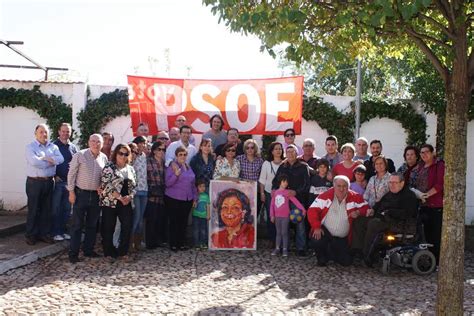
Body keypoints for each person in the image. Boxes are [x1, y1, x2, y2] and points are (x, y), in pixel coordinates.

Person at [307, 175, 369, 266]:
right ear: (334, 186)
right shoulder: (325, 196)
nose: (341, 189)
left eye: (344, 186)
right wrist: (316, 227)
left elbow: (367, 208)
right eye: (338, 186)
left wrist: (359, 212)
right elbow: (312, 211)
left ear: (348, 187)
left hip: (343, 238)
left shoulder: (355, 196)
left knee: (346, 262)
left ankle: (331, 253)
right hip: (325, 232)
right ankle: (321, 257)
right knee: (317, 239)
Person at [359, 173, 419, 266]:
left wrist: (389, 212)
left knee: (373, 224)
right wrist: (372, 210)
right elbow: (378, 204)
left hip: (398, 223)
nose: (392, 185)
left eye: (395, 182)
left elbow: (409, 213)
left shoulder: (409, 196)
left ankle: (367, 257)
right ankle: (357, 250)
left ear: (402, 183)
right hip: (383, 219)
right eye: (390, 182)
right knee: (360, 221)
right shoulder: (389, 194)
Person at [67, 134, 108, 263]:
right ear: (89, 142)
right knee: (77, 225)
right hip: (80, 194)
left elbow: (104, 176)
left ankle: (88, 250)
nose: (96, 144)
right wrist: (71, 192)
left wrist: (102, 186)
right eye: (93, 141)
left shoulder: (104, 158)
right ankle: (73, 254)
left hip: (96, 196)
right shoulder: (80, 155)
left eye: (98, 142)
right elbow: (71, 174)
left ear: (102, 144)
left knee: (92, 225)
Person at [25, 124, 64, 245]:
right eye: (41, 132)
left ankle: (43, 234)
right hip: (34, 182)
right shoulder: (30, 147)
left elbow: (61, 159)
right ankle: (31, 235)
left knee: (46, 210)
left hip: (49, 182)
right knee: (34, 209)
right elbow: (34, 162)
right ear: (35, 134)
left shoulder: (53, 146)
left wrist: (45, 158)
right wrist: (51, 161)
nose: (44, 134)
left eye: (46, 132)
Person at [100, 143, 137, 261]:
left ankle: (123, 252)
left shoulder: (130, 168)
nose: (123, 156)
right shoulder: (109, 167)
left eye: (126, 154)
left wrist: (130, 197)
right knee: (108, 227)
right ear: (116, 154)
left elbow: (135, 186)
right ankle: (108, 253)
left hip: (126, 201)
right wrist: (120, 197)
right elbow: (106, 184)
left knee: (127, 226)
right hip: (111, 201)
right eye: (121, 153)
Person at [272, 144, 310, 256]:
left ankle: (301, 248)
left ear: (297, 153)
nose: (290, 154)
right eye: (288, 152)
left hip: (297, 200)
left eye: (292, 152)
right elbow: (275, 182)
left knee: (300, 223)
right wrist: (274, 190)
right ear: (285, 154)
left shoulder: (303, 166)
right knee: (284, 225)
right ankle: (284, 247)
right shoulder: (282, 167)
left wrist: (296, 192)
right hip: (283, 201)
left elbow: (307, 184)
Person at [413, 144, 445, 263]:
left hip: (435, 205)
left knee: (435, 235)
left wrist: (427, 195)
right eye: (421, 153)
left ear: (433, 153)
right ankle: (429, 259)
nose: (424, 154)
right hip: (423, 205)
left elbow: (439, 184)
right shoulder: (421, 166)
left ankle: (437, 261)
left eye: (426, 152)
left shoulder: (439, 165)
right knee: (426, 234)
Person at [165, 146, 197, 251]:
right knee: (174, 222)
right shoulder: (172, 167)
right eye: (180, 154)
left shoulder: (188, 167)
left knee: (183, 222)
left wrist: (195, 197)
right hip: (173, 198)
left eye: (184, 154)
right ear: (176, 156)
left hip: (187, 199)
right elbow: (167, 183)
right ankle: (173, 244)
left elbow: (193, 184)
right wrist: (176, 175)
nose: (183, 156)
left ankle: (181, 243)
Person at [51, 123, 78, 241]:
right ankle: (55, 232)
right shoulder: (53, 146)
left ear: (70, 133)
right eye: (63, 131)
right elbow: (49, 162)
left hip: (69, 183)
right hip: (58, 182)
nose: (65, 133)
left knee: (67, 208)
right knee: (56, 208)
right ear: (59, 131)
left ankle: (63, 231)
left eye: (68, 131)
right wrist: (54, 175)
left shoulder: (73, 147)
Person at [270, 174, 307, 257]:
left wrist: (303, 209)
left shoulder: (287, 193)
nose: (286, 183)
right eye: (284, 181)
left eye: (287, 182)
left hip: (285, 217)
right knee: (278, 233)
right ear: (280, 182)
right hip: (277, 216)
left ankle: (285, 249)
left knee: (284, 233)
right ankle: (277, 248)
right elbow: (272, 205)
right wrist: (272, 215)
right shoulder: (275, 193)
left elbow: (295, 201)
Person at [258, 142, 284, 243]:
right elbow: (262, 180)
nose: (278, 151)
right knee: (271, 216)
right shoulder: (266, 164)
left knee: (281, 216)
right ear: (272, 151)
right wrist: (262, 193)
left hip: (282, 195)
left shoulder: (285, 163)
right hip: (269, 193)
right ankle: (273, 240)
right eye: (276, 149)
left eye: (280, 149)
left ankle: (281, 240)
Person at [144, 141, 167, 249]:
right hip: (151, 194)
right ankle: (150, 242)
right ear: (154, 150)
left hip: (162, 194)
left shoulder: (164, 162)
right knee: (151, 219)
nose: (161, 151)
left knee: (159, 219)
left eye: (163, 150)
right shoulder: (148, 161)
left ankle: (157, 241)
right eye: (159, 149)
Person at [131, 136, 148, 252]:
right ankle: (130, 242)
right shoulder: (133, 156)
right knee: (136, 217)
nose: (144, 145)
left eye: (145, 143)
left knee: (141, 217)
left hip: (145, 190)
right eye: (141, 143)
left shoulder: (144, 156)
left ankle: (138, 242)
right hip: (135, 190)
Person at [192, 178, 210, 249]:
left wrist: (208, 214)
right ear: (196, 187)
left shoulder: (206, 196)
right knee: (196, 230)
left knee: (203, 230)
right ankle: (196, 244)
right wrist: (194, 202)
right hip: (196, 215)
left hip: (203, 216)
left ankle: (203, 243)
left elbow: (208, 205)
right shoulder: (195, 195)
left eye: (204, 186)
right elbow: (193, 206)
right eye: (200, 186)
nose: (202, 188)